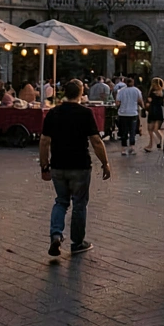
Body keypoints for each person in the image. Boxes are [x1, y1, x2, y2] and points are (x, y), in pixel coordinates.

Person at [40, 79, 112, 257]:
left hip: (58, 165)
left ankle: (56, 234)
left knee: (61, 201)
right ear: (81, 93)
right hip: (80, 165)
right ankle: (77, 242)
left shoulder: (53, 113)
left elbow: (44, 141)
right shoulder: (85, 113)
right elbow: (96, 141)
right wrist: (105, 162)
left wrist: (44, 166)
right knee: (79, 204)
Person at [115, 78, 143, 157]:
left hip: (123, 114)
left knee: (123, 131)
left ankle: (123, 149)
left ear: (125, 83)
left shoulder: (121, 91)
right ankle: (132, 147)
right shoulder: (137, 90)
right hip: (133, 113)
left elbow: (117, 103)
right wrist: (143, 108)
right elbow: (140, 101)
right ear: (133, 82)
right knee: (132, 131)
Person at [144, 78, 164, 152]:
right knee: (155, 129)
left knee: (151, 129)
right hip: (159, 111)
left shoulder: (152, 91)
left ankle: (152, 144)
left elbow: (149, 101)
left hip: (153, 110)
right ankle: (159, 141)